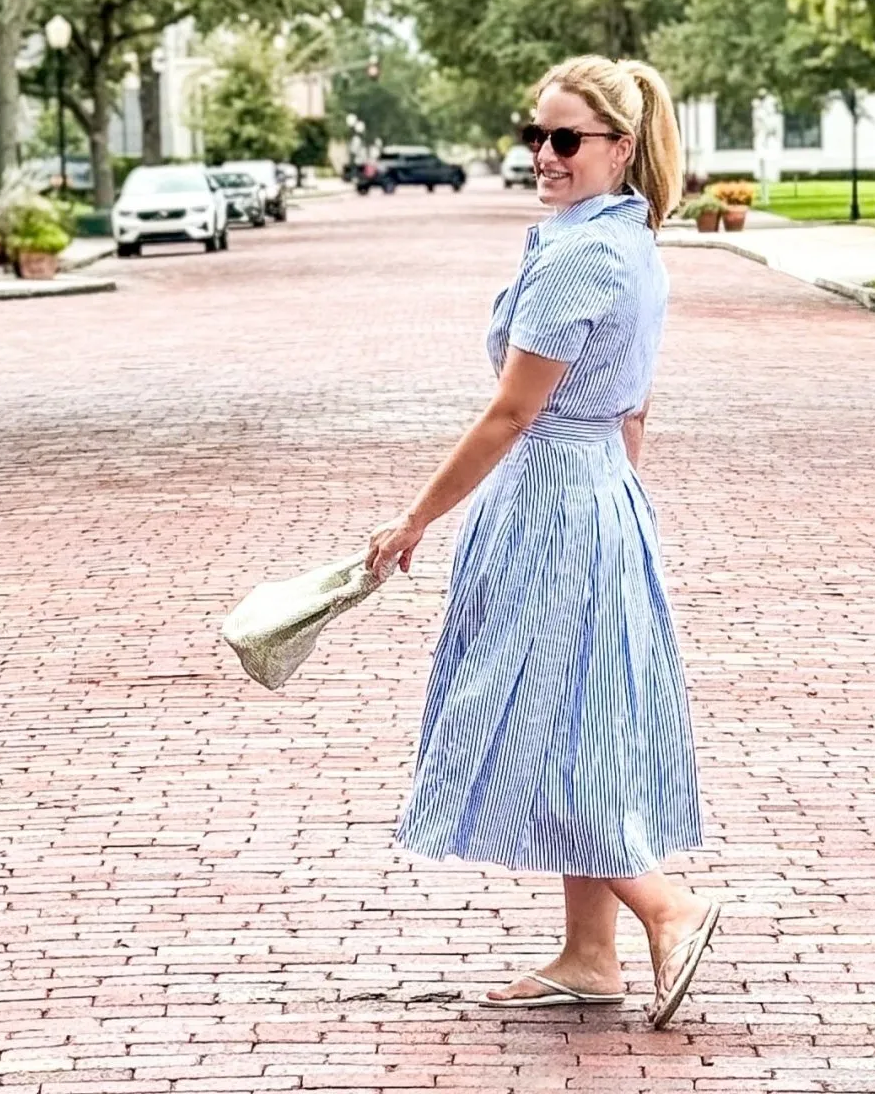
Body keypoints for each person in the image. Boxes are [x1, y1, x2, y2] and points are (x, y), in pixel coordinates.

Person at [367, 55, 719, 1029]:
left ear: (621, 146)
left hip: (557, 499)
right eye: (536, 135)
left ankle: (665, 904)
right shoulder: (630, 242)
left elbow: (511, 414)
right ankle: (590, 954)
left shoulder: (578, 257)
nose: (545, 155)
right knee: (582, 718)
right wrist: (619, 512)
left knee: (533, 720)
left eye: (567, 139)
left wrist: (414, 521)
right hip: (600, 494)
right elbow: (634, 407)